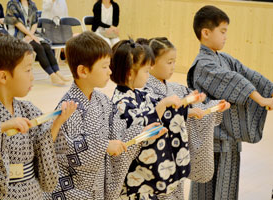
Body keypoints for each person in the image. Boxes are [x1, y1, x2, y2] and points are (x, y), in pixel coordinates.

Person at [43, 31, 167, 200]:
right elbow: (68, 151)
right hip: (72, 191)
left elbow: (118, 132)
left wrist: (142, 133)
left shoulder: (102, 100)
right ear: (83, 71)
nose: (110, 72)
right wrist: (104, 146)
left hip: (97, 187)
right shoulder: (69, 107)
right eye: (104, 67)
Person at [0, 35, 77, 199]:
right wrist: (3, 127)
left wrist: (57, 123)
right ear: (3, 76)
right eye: (28, 70)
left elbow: (43, 146)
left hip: (31, 192)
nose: (32, 77)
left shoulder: (29, 110)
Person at [187, 5, 273, 200]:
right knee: (206, 188)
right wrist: (259, 99)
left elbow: (248, 73)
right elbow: (233, 80)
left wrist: (270, 90)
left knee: (226, 188)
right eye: (222, 31)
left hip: (228, 137)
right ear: (206, 33)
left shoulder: (224, 58)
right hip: (212, 138)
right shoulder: (204, 63)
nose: (226, 36)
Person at [110, 40, 209, 199]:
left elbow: (163, 111)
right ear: (130, 73)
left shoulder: (139, 94)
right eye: (146, 71)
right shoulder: (121, 103)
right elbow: (140, 129)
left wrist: (187, 105)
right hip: (134, 179)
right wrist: (163, 106)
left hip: (144, 182)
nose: (148, 75)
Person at [136, 37, 230, 199]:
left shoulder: (176, 88)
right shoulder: (143, 90)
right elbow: (149, 119)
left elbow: (196, 108)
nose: (173, 67)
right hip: (154, 156)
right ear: (152, 63)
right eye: (169, 62)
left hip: (174, 152)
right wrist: (186, 112)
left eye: (174, 62)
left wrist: (213, 107)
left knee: (175, 190)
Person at [5, 0, 69, 86]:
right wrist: (30, 35)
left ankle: (57, 72)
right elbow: (16, 22)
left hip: (31, 33)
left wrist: (31, 35)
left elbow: (35, 22)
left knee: (46, 46)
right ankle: (52, 75)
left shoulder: (32, 4)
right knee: (38, 47)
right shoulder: (12, 3)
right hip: (18, 35)